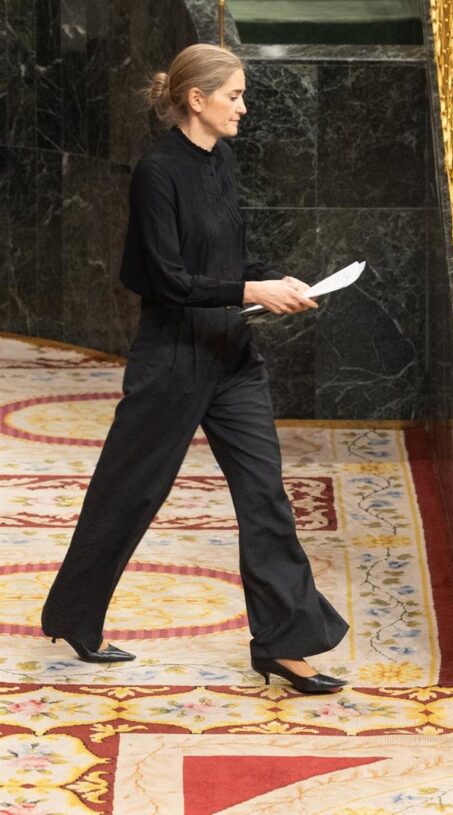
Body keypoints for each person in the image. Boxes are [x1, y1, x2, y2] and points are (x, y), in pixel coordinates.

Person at [40, 44, 349, 694]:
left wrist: (273, 287)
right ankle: (73, 614)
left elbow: (228, 259)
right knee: (131, 490)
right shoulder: (156, 173)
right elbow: (171, 279)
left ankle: (284, 645)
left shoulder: (222, 161)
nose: (243, 106)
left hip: (231, 355)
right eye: (233, 95)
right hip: (173, 358)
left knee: (265, 494)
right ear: (196, 99)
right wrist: (252, 289)